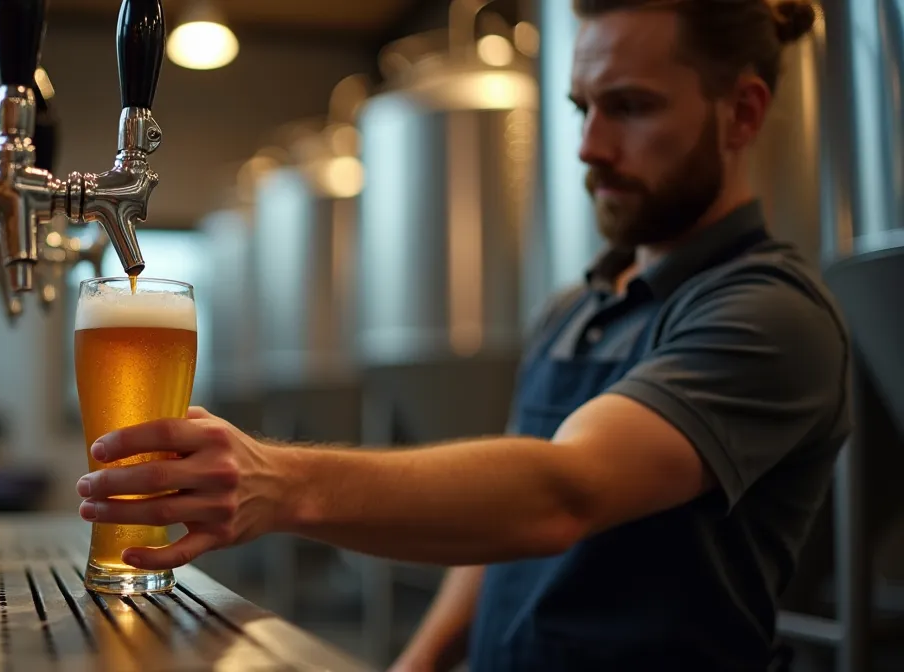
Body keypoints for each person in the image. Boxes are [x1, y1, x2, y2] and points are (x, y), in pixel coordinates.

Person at [73, 0, 848, 669]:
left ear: (742, 112)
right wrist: (418, 659)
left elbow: (559, 492)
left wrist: (282, 482)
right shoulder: (572, 308)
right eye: (582, 109)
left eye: (632, 107)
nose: (589, 146)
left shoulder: (768, 315)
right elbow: (497, 518)